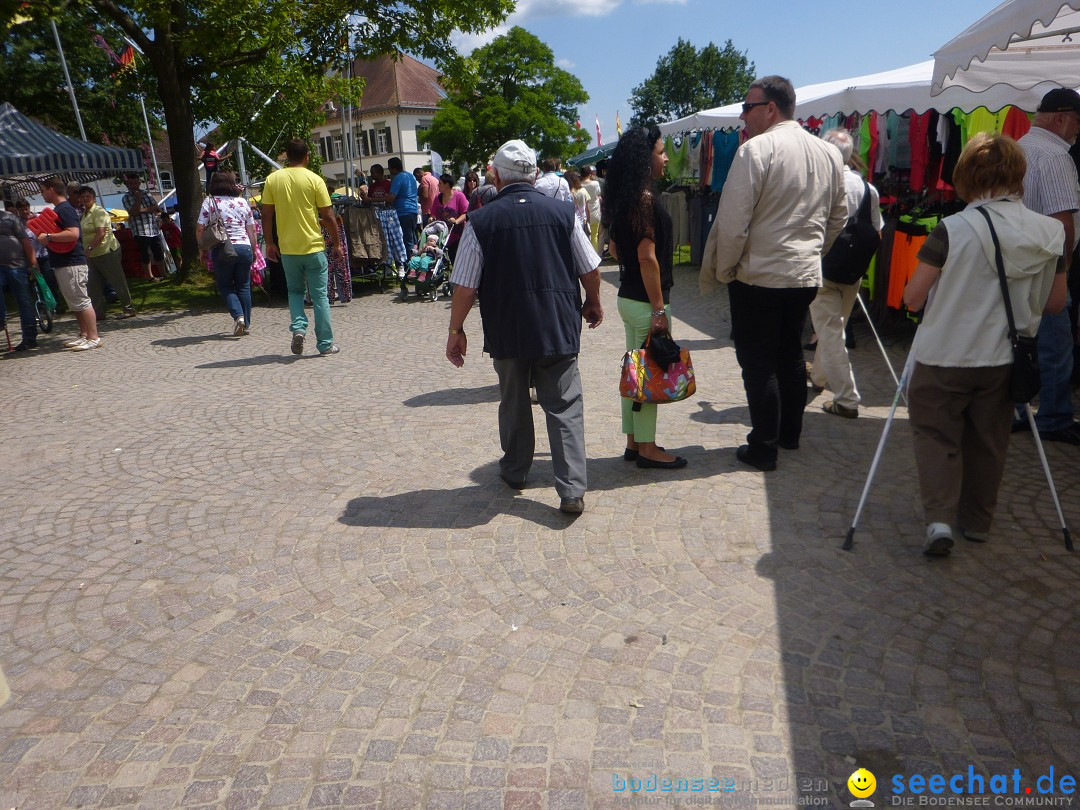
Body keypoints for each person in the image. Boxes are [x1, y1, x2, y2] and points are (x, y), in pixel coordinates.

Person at [902, 133, 1067, 556]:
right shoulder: (1051, 233)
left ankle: (939, 521)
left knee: (936, 436)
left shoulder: (951, 228)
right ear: (1019, 174)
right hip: (1005, 359)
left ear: (966, 175)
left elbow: (913, 297)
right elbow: (1054, 304)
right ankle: (977, 522)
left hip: (944, 355)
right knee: (990, 440)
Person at [445, 138, 604, 515]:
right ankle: (571, 491)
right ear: (534, 175)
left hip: (508, 325)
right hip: (557, 322)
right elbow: (590, 267)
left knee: (514, 400)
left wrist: (456, 330)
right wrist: (593, 300)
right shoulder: (563, 213)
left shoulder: (480, 221)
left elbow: (465, 284)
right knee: (564, 404)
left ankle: (516, 470)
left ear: (496, 176)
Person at [701, 75, 846, 472]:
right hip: (803, 274)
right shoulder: (828, 153)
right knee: (789, 355)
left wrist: (726, 268)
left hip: (760, 275)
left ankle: (764, 446)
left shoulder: (757, 150)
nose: (742, 115)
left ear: (770, 108)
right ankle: (789, 433)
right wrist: (815, 252)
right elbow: (839, 217)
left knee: (759, 362)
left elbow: (733, 222)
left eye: (747, 107)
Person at [605, 125, 687, 470]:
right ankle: (648, 448)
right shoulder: (644, 199)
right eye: (661, 151)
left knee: (634, 371)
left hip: (629, 298)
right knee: (649, 372)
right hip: (645, 302)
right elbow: (646, 257)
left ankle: (633, 442)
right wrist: (658, 308)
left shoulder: (624, 197)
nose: (666, 158)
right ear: (645, 158)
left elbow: (614, 249)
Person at [1014, 88, 1080, 445]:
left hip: (1014, 262)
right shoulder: (1054, 155)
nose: (1077, 131)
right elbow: (1062, 224)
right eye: (1078, 123)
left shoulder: (1016, 148)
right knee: (1055, 345)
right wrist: (1064, 271)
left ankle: (1016, 408)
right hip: (1044, 266)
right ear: (1061, 118)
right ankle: (1053, 416)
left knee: (1017, 342)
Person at [808, 129, 883, 419]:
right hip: (852, 271)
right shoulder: (868, 188)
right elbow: (877, 231)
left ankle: (847, 399)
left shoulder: (820, 184)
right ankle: (818, 378)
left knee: (831, 333)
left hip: (823, 268)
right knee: (832, 328)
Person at [261, 139, 342, 356]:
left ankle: (298, 328)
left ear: (287, 156)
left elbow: (266, 214)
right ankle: (325, 344)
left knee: (295, 292)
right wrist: (336, 244)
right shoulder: (315, 179)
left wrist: (269, 243)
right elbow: (328, 216)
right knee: (320, 297)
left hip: (288, 248)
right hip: (314, 246)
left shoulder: (273, 179)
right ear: (307, 155)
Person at [37, 178, 101, 350]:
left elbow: (73, 234)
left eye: (42, 190)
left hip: (72, 261)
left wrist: (48, 237)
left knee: (81, 299)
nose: (41, 194)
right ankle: (84, 334)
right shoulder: (60, 209)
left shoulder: (65, 209)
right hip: (63, 262)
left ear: (51, 190)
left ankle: (94, 337)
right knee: (74, 301)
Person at [197, 170, 258, 336]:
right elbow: (251, 230)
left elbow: (200, 228)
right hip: (244, 247)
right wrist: (253, 250)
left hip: (222, 248)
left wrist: (202, 249)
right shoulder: (242, 202)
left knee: (225, 285)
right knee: (244, 286)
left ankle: (238, 316)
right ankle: (246, 323)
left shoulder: (209, 202)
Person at [77, 186, 135, 321]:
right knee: (93, 285)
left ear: (94, 198)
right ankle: (98, 313)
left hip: (106, 251)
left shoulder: (98, 212)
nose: (85, 199)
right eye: (82, 197)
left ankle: (128, 308)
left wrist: (89, 248)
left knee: (117, 281)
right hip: (91, 255)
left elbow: (101, 232)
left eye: (88, 196)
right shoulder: (84, 214)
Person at [0, 203, 39, 351]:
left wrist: (33, 262)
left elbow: (25, 240)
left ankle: (29, 337)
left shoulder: (10, 218)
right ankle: (0, 319)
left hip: (17, 265)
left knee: (24, 300)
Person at [16, 198, 62, 314]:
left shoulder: (38, 217)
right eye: (22, 210)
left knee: (49, 279)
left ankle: (56, 304)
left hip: (44, 254)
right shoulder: (17, 223)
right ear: (18, 211)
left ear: (29, 207)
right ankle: (42, 306)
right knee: (35, 283)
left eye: (26, 208)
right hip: (30, 257)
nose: (25, 212)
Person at [121, 174, 166, 281]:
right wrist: (138, 199)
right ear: (128, 184)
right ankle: (149, 276)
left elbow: (155, 207)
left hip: (153, 228)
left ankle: (164, 274)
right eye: (131, 183)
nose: (134, 185)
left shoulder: (146, 193)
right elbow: (132, 212)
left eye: (135, 183)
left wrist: (140, 211)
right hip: (139, 230)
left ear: (139, 183)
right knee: (145, 253)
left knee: (158, 252)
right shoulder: (126, 197)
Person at [322, 179, 352, 304]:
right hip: (325, 231)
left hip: (333, 230)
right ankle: (329, 295)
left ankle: (341, 295)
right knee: (327, 266)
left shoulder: (334, 202)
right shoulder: (319, 201)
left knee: (338, 264)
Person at [431, 172, 469, 262]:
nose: (438, 185)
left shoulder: (459, 196)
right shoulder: (437, 198)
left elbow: (466, 213)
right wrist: (432, 218)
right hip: (442, 234)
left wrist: (456, 221)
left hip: (457, 234)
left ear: (447, 185)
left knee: (455, 258)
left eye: (440, 183)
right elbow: (433, 213)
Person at [387, 157, 420, 246]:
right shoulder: (411, 176)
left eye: (389, 168)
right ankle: (414, 256)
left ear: (393, 168)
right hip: (413, 210)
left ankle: (410, 258)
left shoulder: (398, 178)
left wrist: (371, 199)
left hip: (403, 212)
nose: (389, 171)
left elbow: (391, 198)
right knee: (413, 237)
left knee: (406, 239)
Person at [581, 165, 602, 250]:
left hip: (583, 214)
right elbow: (598, 194)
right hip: (595, 211)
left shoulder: (579, 185)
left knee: (584, 237)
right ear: (590, 173)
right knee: (594, 236)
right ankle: (595, 258)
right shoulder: (595, 184)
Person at [565, 170, 590, 235]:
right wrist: (588, 220)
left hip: (571, 221)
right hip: (582, 220)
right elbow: (587, 208)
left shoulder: (567, 192)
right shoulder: (583, 190)